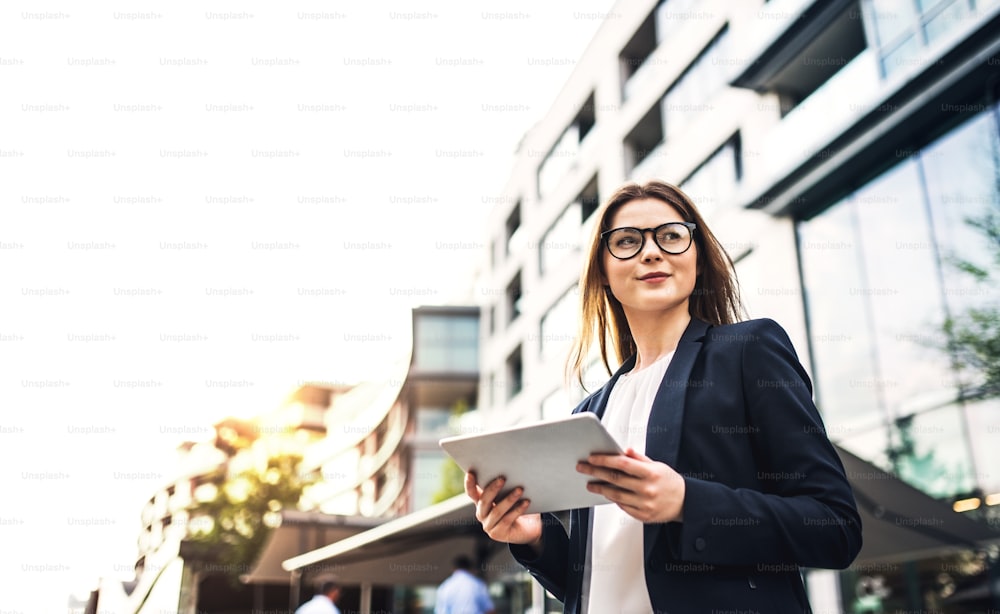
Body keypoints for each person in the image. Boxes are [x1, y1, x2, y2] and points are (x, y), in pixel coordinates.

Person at [465, 180, 863, 613]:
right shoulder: (589, 413)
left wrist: (688, 503)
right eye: (627, 242)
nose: (651, 252)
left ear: (696, 257)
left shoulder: (749, 351)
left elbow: (835, 527)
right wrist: (536, 537)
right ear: (602, 272)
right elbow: (596, 585)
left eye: (671, 236)